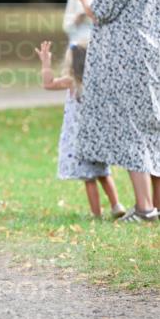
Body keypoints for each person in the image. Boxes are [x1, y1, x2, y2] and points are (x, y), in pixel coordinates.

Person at [54, 0, 160, 224]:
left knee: (132, 131)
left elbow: (98, 11)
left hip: (126, 60)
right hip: (153, 55)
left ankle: (144, 209)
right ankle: (156, 204)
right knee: (153, 128)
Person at [35, 40, 125, 219]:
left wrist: (46, 62)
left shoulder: (71, 82)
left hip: (79, 139)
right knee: (104, 173)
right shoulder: (100, 81)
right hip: (98, 137)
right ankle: (116, 205)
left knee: (89, 178)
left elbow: (48, 84)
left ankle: (96, 213)